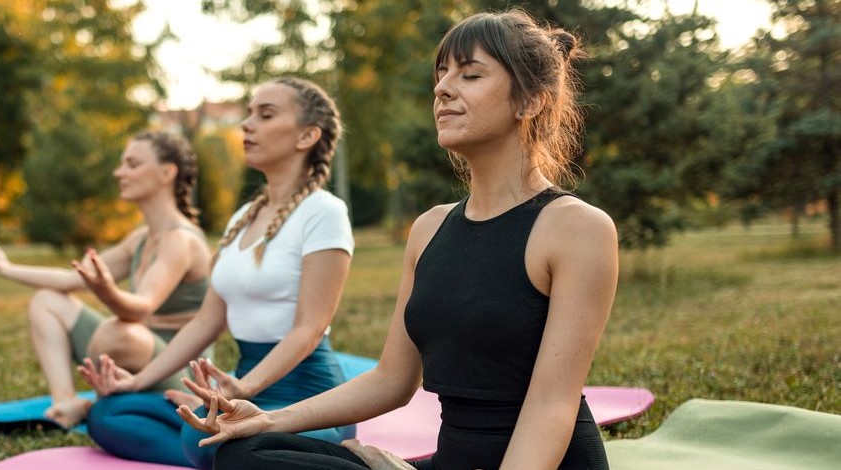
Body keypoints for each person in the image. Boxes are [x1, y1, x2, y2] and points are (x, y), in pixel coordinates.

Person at [181, 10, 619, 470]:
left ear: (530, 101)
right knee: (246, 452)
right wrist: (270, 421)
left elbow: (552, 405)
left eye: (470, 74)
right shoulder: (430, 228)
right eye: (442, 73)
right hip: (450, 461)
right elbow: (391, 380)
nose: (443, 88)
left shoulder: (575, 227)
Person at [77, 77, 354, 470]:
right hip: (240, 394)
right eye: (248, 114)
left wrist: (245, 387)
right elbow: (206, 320)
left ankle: (251, 453)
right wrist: (137, 382)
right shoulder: (242, 219)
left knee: (205, 438)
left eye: (265, 114)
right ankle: (234, 457)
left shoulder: (324, 212)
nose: (247, 124)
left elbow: (309, 329)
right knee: (110, 413)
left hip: (308, 399)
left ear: (307, 135)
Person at [0, 131, 211, 429]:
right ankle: (66, 403)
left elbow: (140, 308)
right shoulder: (142, 239)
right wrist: (5, 267)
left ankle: (115, 391)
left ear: (167, 172)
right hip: (138, 351)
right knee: (47, 300)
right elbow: (70, 278)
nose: (120, 172)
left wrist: (106, 292)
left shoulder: (180, 240)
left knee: (119, 332)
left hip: (178, 370)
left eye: (132, 164)